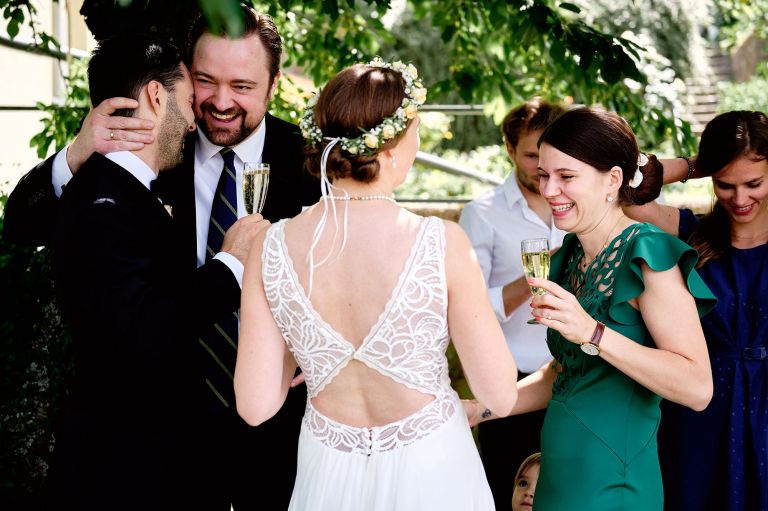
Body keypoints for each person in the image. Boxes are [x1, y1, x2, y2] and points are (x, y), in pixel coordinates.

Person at [4, 7, 318, 510]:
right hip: (163, 438)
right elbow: (21, 223)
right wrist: (77, 153)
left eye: (241, 86)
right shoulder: (153, 148)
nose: (218, 102)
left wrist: (320, 348)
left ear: (274, 83)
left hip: (282, 427)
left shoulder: (310, 161)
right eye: (205, 81)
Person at [234, 59, 518, 510]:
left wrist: (311, 342)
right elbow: (499, 394)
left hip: (328, 474)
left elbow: (256, 405)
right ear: (388, 150)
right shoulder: (439, 242)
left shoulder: (270, 246)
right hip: (433, 470)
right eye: (416, 132)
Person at [465, 106, 716, 510]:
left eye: (566, 177)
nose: (549, 191)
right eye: (545, 175)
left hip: (612, 482)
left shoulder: (647, 254)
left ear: (612, 180)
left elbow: (697, 388)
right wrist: (482, 409)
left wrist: (593, 333)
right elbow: (565, 372)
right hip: (559, 474)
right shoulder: (569, 256)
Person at [44, 33, 230, 510]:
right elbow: (144, 329)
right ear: (154, 95)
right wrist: (232, 265)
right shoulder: (103, 203)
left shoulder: (129, 191)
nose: (193, 122)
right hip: (124, 474)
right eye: (189, 101)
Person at [624, 110, 768, 511]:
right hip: (700, 410)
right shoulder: (690, 232)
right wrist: (696, 164)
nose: (740, 199)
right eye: (725, 184)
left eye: (754, 183)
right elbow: (626, 189)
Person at [459, 98, 565, 510]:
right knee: (508, 493)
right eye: (531, 154)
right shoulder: (482, 214)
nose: (541, 166)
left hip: (573, 379)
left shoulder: (578, 205)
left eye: (551, 155)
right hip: (509, 385)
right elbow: (466, 307)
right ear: (509, 149)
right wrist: (534, 281)